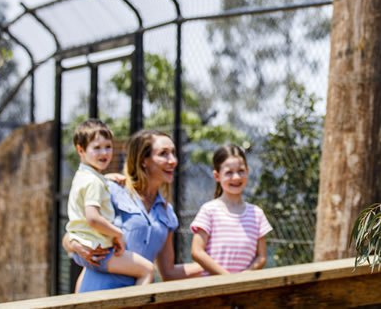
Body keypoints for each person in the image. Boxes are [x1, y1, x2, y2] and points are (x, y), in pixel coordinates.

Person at [64, 129, 203, 292]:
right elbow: (69, 236)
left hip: (135, 300)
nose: (172, 160)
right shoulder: (113, 191)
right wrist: (75, 245)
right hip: (95, 296)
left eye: (173, 153)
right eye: (163, 154)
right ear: (144, 160)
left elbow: (169, 273)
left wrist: (212, 264)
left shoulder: (167, 213)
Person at [65, 119, 154, 285]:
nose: (104, 152)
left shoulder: (83, 176)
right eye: (97, 148)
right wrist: (117, 234)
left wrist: (105, 178)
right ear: (80, 150)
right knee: (147, 269)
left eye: (108, 146)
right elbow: (92, 218)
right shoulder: (94, 183)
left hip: (82, 247)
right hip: (98, 250)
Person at [190, 144, 272, 275]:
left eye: (241, 171)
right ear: (217, 176)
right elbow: (197, 252)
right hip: (212, 289)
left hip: (245, 290)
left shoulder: (257, 214)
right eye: (229, 172)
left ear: (248, 171)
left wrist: (245, 276)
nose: (236, 177)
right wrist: (226, 278)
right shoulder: (209, 210)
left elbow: (261, 257)